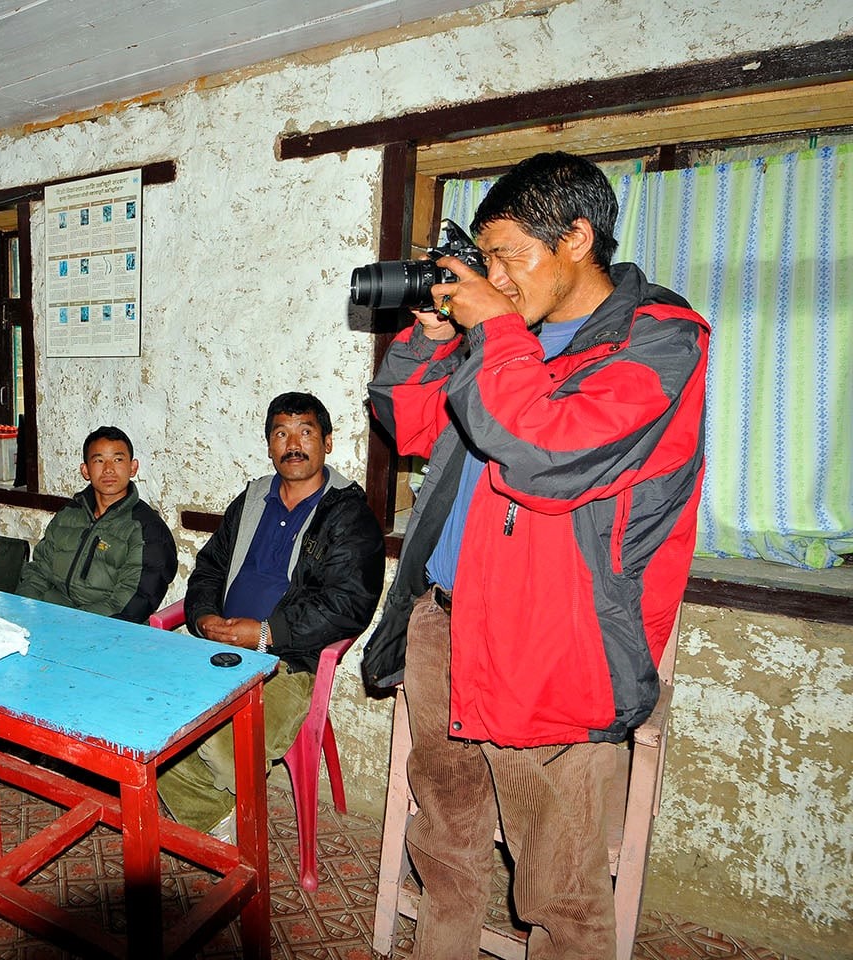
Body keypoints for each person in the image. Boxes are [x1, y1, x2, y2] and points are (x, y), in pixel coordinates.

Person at [362, 151, 709, 957]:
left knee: (559, 887)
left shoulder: (658, 342)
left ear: (578, 239)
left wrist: (495, 330)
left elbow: (546, 457)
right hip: (446, 624)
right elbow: (412, 428)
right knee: (445, 846)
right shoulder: (507, 339)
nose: (498, 277)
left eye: (511, 256)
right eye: (487, 261)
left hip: (559, 648)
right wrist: (431, 336)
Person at [159, 392, 384, 839]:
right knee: (150, 720)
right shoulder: (253, 499)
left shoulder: (347, 514)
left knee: (224, 747)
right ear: (269, 445)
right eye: (281, 433)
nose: (293, 444)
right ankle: (217, 817)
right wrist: (203, 617)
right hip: (214, 646)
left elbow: (348, 604)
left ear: (328, 443)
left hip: (285, 661)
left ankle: (208, 813)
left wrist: (264, 634)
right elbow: (209, 567)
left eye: (306, 433)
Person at [17, 425, 176, 623]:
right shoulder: (69, 515)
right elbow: (38, 571)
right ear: (85, 470)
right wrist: (24, 609)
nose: (109, 469)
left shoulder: (148, 530)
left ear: (133, 467)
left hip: (105, 629)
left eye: (118, 460)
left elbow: (131, 604)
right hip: (49, 618)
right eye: (99, 460)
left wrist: (71, 624)